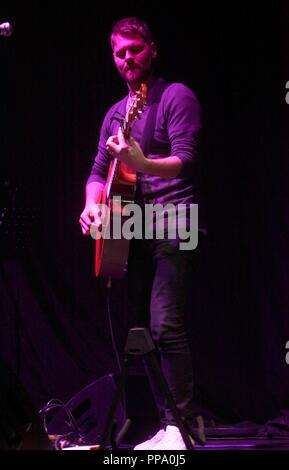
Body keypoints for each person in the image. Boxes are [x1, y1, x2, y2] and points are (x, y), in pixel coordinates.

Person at [79, 17, 204, 450]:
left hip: (178, 217)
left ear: (151, 48)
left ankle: (182, 426)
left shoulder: (176, 97)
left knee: (165, 321)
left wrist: (142, 161)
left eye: (134, 49)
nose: (127, 58)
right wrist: (91, 204)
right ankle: (169, 424)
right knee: (140, 333)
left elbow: (185, 160)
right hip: (135, 226)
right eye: (119, 53)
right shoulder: (116, 113)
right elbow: (97, 173)